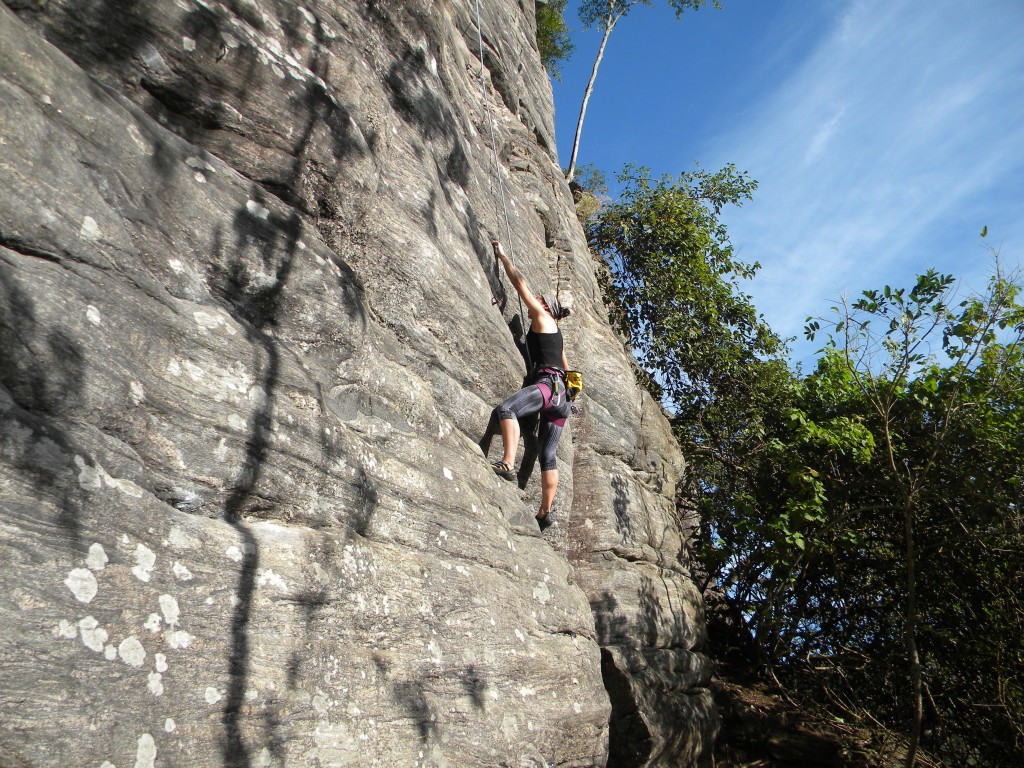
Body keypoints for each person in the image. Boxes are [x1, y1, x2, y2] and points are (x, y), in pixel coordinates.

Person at [490, 240, 572, 530]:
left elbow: (519, 284)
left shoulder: (542, 316)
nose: (536, 299)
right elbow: (566, 367)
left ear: (546, 306)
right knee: (548, 455)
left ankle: (507, 464)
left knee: (507, 408)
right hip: (562, 400)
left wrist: (502, 256)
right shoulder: (557, 334)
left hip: (547, 386)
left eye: (540, 299)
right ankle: (545, 512)